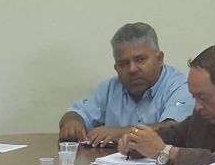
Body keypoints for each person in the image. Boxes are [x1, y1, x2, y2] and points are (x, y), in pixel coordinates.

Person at [59, 23, 193, 146]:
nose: (132, 69)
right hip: (112, 163)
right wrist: (72, 123)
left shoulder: (181, 86)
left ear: (160, 59)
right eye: (123, 63)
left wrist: (120, 133)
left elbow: (174, 129)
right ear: (116, 67)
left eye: (140, 60)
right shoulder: (109, 89)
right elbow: (75, 114)